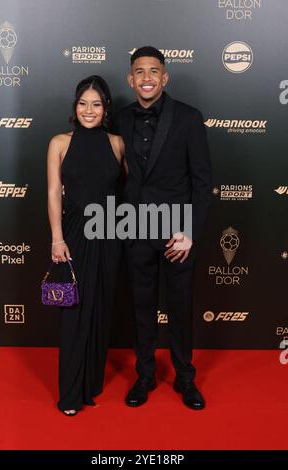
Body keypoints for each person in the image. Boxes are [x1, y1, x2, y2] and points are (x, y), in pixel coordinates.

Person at [115, 46, 212, 410]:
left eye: (153, 71)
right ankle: (144, 376)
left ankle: (186, 379)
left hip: (176, 235)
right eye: (139, 72)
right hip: (136, 230)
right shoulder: (120, 119)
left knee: (181, 308)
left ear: (165, 76)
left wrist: (189, 232)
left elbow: (203, 182)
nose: (146, 78)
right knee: (141, 308)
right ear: (131, 78)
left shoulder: (188, 118)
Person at [47, 75, 124, 416]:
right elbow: (52, 192)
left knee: (101, 310)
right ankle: (71, 393)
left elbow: (132, 191)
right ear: (74, 106)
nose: (88, 110)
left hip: (109, 237)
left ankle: (91, 382)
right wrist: (57, 237)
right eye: (82, 103)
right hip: (74, 237)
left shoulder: (118, 143)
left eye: (96, 104)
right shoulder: (59, 143)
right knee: (74, 314)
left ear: (106, 108)